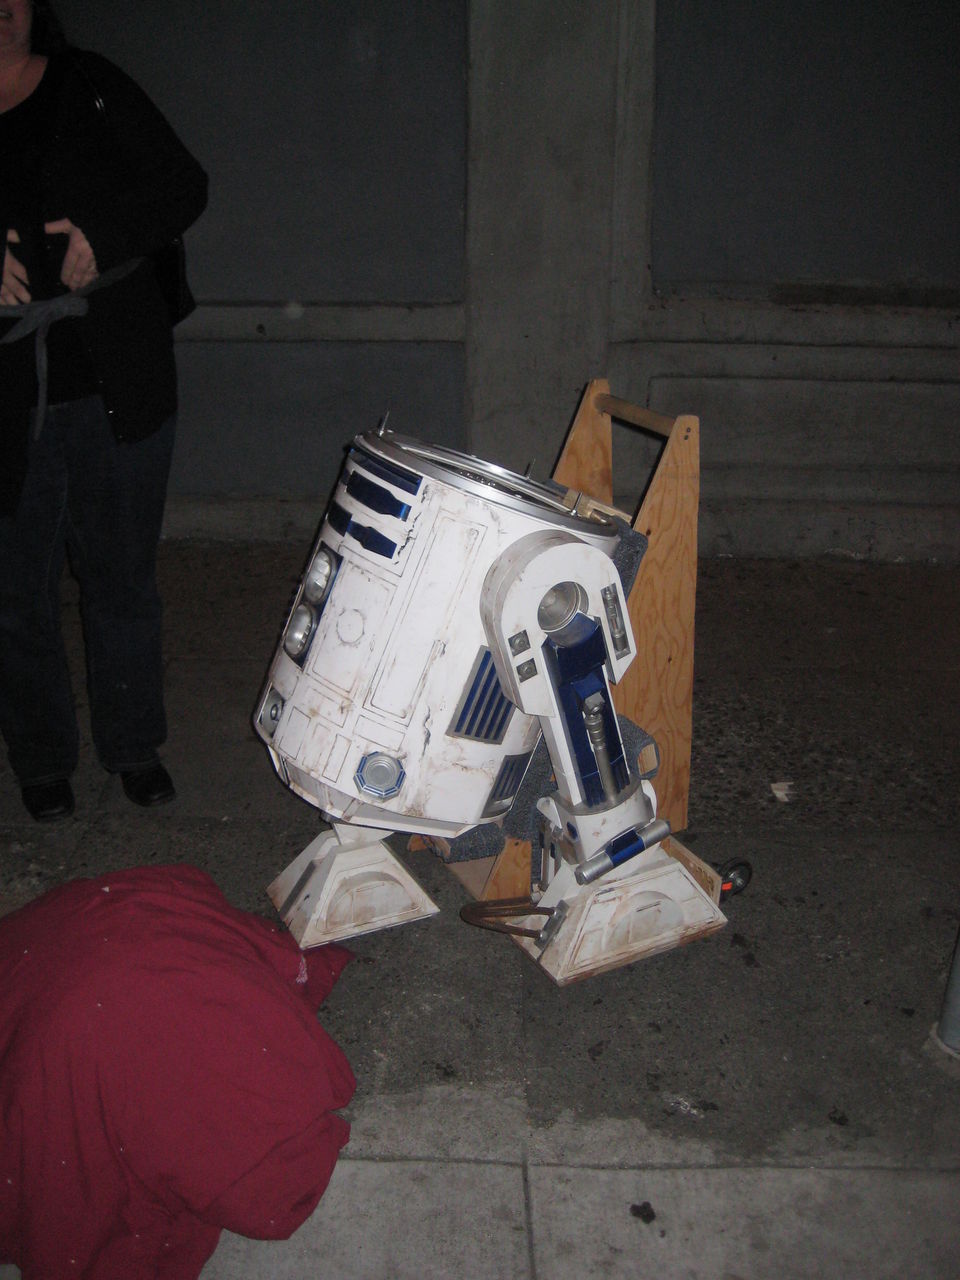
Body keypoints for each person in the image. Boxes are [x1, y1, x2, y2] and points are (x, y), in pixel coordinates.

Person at [0, 0, 208, 820]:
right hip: (7, 402)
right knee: (15, 593)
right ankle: (41, 759)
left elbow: (182, 184)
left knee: (121, 580)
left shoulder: (88, 83)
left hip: (117, 380)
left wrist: (108, 232)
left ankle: (132, 747)